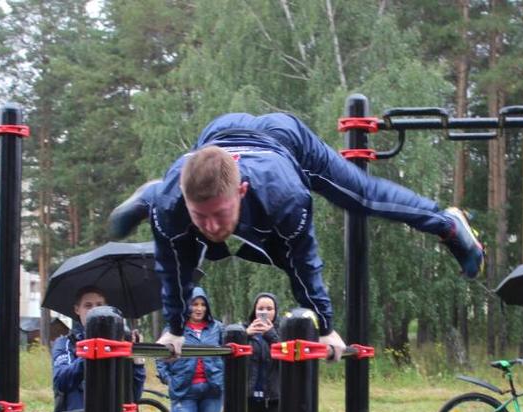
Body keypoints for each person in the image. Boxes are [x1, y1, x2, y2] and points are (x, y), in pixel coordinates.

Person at [108, 112, 485, 360]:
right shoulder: (174, 203)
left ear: (240, 191)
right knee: (183, 235)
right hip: (216, 137)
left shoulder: (285, 195)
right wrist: (174, 329)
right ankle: (152, 193)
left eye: (218, 214)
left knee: (361, 197)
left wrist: (325, 327)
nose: (211, 226)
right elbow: (172, 269)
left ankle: (446, 223)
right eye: (200, 215)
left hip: (286, 142)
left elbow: (304, 262)